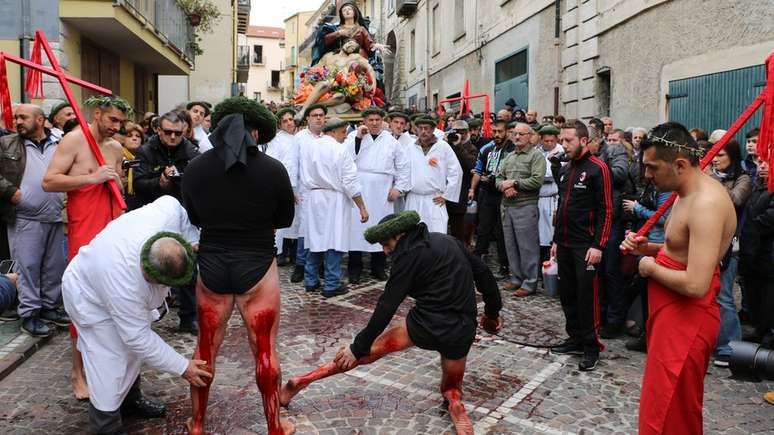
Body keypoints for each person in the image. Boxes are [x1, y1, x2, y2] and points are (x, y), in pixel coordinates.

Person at [279, 211, 503, 435]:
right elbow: (485, 275)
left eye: (387, 244)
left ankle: (303, 380)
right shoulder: (449, 241)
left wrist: (358, 347)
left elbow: (387, 305)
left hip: (423, 326)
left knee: (368, 352)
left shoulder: (407, 258)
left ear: (401, 235)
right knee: (452, 387)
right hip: (460, 330)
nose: (385, 252)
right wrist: (492, 314)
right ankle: (455, 403)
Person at [180, 97, 296, 435]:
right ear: (254, 132)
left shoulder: (196, 168)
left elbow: (194, 215)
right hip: (257, 264)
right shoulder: (273, 169)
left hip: (213, 262)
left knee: (205, 347)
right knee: (264, 349)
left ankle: (198, 423)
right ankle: (275, 425)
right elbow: (285, 218)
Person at [621, 122, 736, 434]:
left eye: (652, 167)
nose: (646, 175)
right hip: (673, 317)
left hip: (687, 321)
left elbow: (696, 284)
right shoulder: (685, 191)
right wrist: (652, 248)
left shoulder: (706, 204)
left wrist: (649, 266)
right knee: (661, 403)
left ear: (680, 164)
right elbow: (685, 250)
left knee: (674, 411)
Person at [61, 195, 211, 434]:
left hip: (111, 283)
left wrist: (191, 240)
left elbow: (173, 203)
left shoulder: (165, 215)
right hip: (88, 298)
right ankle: (105, 424)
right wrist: (183, 366)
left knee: (130, 354)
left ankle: (130, 400)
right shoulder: (123, 284)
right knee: (109, 359)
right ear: (146, 270)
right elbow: (138, 338)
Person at [42, 95, 131, 400]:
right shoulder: (74, 140)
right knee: (82, 300)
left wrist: (117, 181)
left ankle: (108, 364)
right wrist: (93, 177)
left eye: (121, 122)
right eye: (112, 121)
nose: (117, 128)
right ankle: (77, 372)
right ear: (96, 114)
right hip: (83, 227)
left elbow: (117, 182)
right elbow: (49, 181)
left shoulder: (116, 147)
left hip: (111, 226)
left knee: (113, 298)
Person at [549, 120, 612, 371]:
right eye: (562, 140)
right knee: (568, 295)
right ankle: (574, 338)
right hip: (564, 243)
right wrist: (555, 239)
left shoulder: (598, 168)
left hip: (585, 246)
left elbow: (606, 210)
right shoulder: (565, 169)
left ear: (583, 141)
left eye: (568, 141)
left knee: (588, 298)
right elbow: (562, 206)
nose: (563, 145)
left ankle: (591, 346)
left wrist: (598, 245)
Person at [134, 110, 201, 334]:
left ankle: (188, 316)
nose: (173, 137)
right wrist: (160, 183)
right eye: (168, 132)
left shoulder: (191, 151)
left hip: (183, 213)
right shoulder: (145, 151)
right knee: (146, 264)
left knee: (188, 264)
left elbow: (199, 185)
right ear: (158, 131)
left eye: (177, 133)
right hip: (153, 215)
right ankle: (143, 316)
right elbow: (138, 184)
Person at [6, 104, 67, 337]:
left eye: (23, 117)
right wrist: (9, 191)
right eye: (16, 117)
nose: (18, 121)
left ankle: (49, 307)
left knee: (54, 267)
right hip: (25, 218)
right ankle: (29, 314)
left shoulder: (59, 143)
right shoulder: (7, 144)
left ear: (40, 120)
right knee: (27, 267)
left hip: (54, 216)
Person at [302, 117, 368, 295]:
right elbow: (350, 181)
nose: (345, 137)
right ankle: (331, 284)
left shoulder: (310, 147)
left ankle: (310, 280)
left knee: (315, 238)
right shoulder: (339, 149)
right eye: (342, 132)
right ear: (332, 132)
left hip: (315, 197)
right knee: (335, 240)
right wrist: (361, 206)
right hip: (334, 198)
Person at [345, 108, 409, 283]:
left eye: (377, 119)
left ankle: (378, 267)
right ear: (364, 120)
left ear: (383, 121)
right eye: (370, 119)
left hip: (382, 190)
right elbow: (345, 158)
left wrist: (399, 188)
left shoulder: (391, 141)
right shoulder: (353, 138)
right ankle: (355, 269)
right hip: (360, 188)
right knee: (356, 230)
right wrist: (357, 138)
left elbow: (404, 166)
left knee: (382, 228)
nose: (374, 123)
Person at [706, 139, 752, 367]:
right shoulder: (710, 175)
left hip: (730, 245)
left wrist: (711, 180)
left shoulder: (742, 178)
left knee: (724, 297)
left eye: (720, 155)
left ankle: (729, 348)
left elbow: (735, 200)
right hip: (708, 242)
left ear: (732, 156)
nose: (715, 159)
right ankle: (712, 342)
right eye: (713, 155)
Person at [496, 123, 546, 296]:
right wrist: (504, 185)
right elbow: (499, 177)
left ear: (530, 136)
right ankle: (516, 278)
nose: (517, 137)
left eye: (521, 134)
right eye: (515, 134)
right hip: (507, 206)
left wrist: (515, 183)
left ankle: (530, 282)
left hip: (526, 205)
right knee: (511, 245)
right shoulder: (508, 156)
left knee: (527, 247)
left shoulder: (536, 156)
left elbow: (537, 180)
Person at [404, 117, 462, 233]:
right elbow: (403, 170)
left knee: (437, 233)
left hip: (435, 199)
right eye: (420, 128)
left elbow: (456, 171)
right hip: (413, 198)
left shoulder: (443, 147)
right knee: (412, 234)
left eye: (427, 128)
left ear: (433, 130)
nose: (423, 131)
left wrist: (447, 195)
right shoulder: (410, 147)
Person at [738, 156, 773, 348]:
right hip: (753, 251)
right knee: (754, 294)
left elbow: (768, 218)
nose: (762, 166)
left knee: (769, 297)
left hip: (768, 253)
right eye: (760, 163)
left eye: (767, 162)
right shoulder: (758, 186)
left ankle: (769, 333)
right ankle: (760, 329)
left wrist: (754, 226)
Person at [470, 120, 512, 278]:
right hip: (486, 193)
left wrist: (496, 180)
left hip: (503, 195)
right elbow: (478, 171)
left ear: (507, 132)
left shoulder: (512, 149)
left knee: (501, 231)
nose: (497, 135)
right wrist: (471, 189)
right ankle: (476, 261)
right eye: (494, 131)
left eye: (500, 131)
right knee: (483, 229)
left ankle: (504, 266)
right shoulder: (486, 148)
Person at [290, 105, 327, 283]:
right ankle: (300, 265)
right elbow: (293, 164)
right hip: (305, 190)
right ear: (308, 119)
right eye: (314, 116)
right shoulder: (299, 138)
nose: (318, 119)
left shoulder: (329, 137)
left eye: (321, 115)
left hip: (325, 191)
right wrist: (293, 189)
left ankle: (319, 265)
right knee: (304, 229)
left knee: (323, 229)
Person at [266, 107, 300, 267]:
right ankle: (280, 252)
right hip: (283, 183)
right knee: (282, 220)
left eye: (290, 120)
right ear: (280, 124)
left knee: (296, 220)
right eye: (285, 121)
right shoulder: (277, 140)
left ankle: (293, 251)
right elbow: (274, 162)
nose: (288, 123)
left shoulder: (298, 138)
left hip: (298, 185)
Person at [445, 120, 478, 244]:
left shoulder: (471, 148)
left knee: (459, 229)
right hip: (447, 190)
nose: (459, 135)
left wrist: (459, 146)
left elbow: (471, 165)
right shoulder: (447, 145)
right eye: (456, 132)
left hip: (461, 192)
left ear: (467, 132)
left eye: (462, 132)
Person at [537, 124, 562, 263]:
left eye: (552, 141)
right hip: (539, 197)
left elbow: (551, 173)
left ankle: (552, 262)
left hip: (552, 197)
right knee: (540, 234)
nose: (549, 144)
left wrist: (538, 176)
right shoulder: (539, 151)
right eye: (546, 141)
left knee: (550, 232)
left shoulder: (560, 152)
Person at [120, 122, 145, 210]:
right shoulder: (118, 155)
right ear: (123, 139)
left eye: (138, 136)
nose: (134, 138)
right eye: (130, 136)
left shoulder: (145, 157)